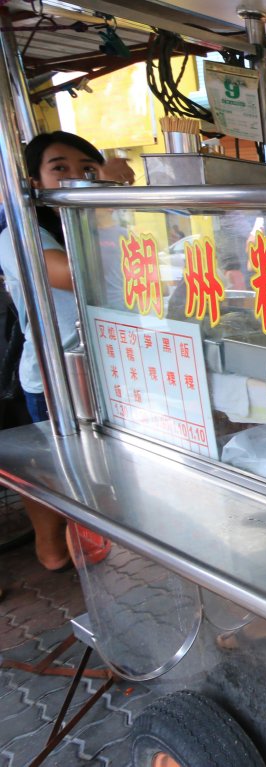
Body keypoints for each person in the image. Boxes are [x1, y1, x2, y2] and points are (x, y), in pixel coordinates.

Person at [0, 131, 131, 571]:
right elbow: (74, 274)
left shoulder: (85, 226)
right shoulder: (19, 234)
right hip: (54, 379)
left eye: (87, 169)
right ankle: (55, 547)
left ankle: (72, 546)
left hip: (102, 369)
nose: (76, 178)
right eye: (60, 168)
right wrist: (105, 203)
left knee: (81, 469)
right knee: (61, 471)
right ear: (35, 182)